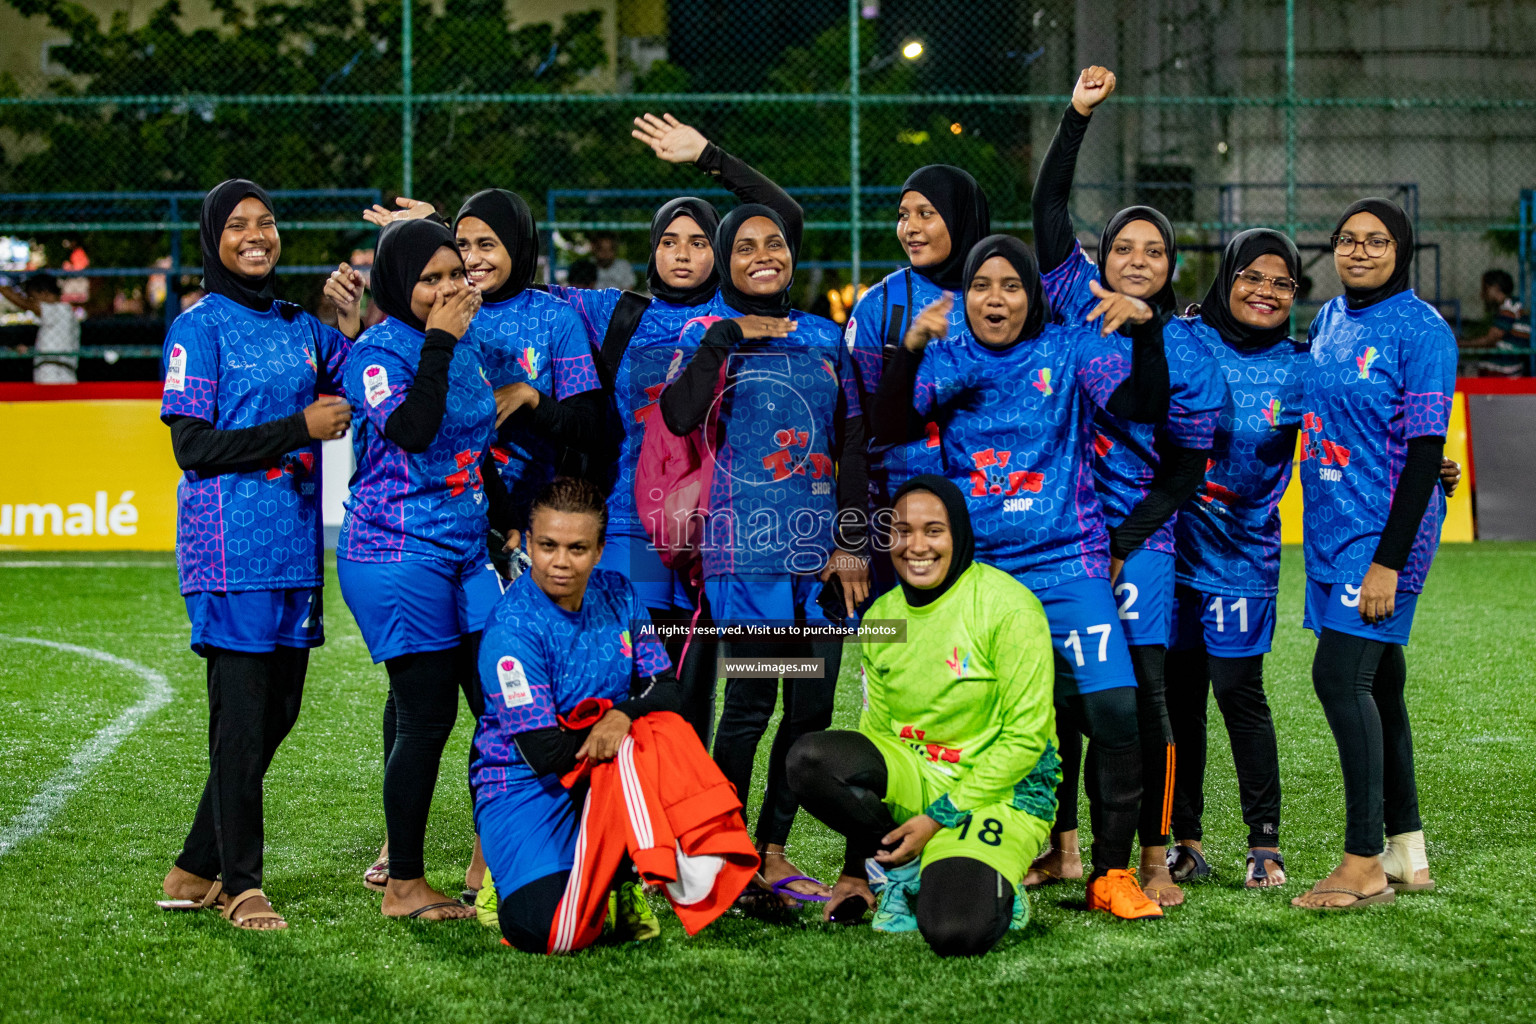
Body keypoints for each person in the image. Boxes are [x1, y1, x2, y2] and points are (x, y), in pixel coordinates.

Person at [872, 234, 1169, 921]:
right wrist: (911, 345)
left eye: (1011, 285)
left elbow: (1143, 407)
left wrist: (1148, 334)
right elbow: (889, 422)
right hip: (983, 579)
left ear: (1032, 297)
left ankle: (1112, 872)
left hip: (1069, 563)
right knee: (991, 723)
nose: (995, 298)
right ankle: (967, 847)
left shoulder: (1066, 350)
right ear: (965, 295)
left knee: (1114, 712)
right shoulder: (948, 356)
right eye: (982, 285)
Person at [1029, 64, 1228, 906]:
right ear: (1103, 256)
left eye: (1153, 251)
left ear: (1170, 263)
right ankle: (1064, 845)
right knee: (1059, 697)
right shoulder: (1074, 300)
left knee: (1142, 696)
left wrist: (1122, 540)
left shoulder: (1191, 350)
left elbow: (1180, 462)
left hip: (1137, 542)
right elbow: (1047, 212)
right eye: (1123, 248)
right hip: (1057, 535)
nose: (1137, 260)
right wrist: (1076, 119)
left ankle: (1153, 856)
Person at [554, 111, 805, 744]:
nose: (685, 253)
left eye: (699, 241)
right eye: (671, 241)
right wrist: (435, 235)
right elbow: (513, 286)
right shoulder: (616, 311)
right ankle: (623, 823)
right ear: (654, 250)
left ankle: (687, 826)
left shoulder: (737, 308)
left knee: (694, 685)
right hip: (635, 523)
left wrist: (709, 157)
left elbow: (785, 220)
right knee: (632, 678)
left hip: (715, 526)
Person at [156, 179, 360, 930]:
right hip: (229, 550)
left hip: (294, 555)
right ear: (214, 239)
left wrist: (351, 319)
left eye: (266, 222)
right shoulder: (197, 328)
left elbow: (359, 383)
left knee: (276, 714)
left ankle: (192, 868)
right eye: (237, 224)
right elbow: (193, 447)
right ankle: (242, 886)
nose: (255, 235)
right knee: (240, 721)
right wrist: (296, 428)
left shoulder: (303, 327)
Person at [658, 202, 870, 903]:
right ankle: (726, 855)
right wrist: (726, 336)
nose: (762, 254)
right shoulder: (704, 331)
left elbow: (851, 444)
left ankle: (773, 851)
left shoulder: (823, 334)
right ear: (725, 259)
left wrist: (849, 543)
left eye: (774, 242)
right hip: (744, 557)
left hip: (818, 561)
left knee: (810, 708)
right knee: (749, 704)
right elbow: (680, 415)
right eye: (743, 245)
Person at [788, 477, 1059, 956]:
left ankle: (981, 878)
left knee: (956, 931)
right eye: (901, 530)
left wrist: (938, 820)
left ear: (958, 535)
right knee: (810, 759)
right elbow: (879, 736)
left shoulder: (1009, 607)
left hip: (1000, 795)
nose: (916, 546)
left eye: (933, 531)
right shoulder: (882, 619)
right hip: (920, 774)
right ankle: (903, 868)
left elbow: (1026, 739)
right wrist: (857, 868)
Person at [1292, 198, 1457, 910]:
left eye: (1377, 241)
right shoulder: (1329, 319)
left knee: (1340, 678)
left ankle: (1362, 864)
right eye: (1348, 240)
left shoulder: (1424, 330)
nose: (1359, 252)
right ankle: (1407, 851)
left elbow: (1425, 452)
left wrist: (1389, 561)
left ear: (1403, 249)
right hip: (1331, 533)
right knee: (1381, 686)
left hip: (1383, 537)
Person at [337, 217, 492, 922]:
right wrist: (439, 340)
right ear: (399, 285)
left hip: (467, 554)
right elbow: (412, 429)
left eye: (454, 274)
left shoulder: (467, 344)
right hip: (397, 553)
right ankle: (403, 883)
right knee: (426, 715)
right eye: (429, 279)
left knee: (500, 702)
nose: (446, 289)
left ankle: (496, 855)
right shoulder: (377, 353)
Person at [471, 478, 691, 952]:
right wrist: (618, 726)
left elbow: (668, 692)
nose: (561, 562)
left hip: (600, 769)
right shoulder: (512, 628)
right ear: (529, 544)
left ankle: (619, 880)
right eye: (548, 546)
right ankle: (505, 876)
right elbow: (544, 751)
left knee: (669, 738)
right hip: (523, 784)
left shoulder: (620, 594)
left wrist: (624, 716)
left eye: (577, 548)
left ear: (599, 550)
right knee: (545, 930)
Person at [1160, 229, 1308, 893]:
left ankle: (1263, 845)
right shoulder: (1186, 339)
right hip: (1172, 547)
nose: (1265, 292)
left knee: (1238, 693)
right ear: (1226, 280)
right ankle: (1183, 841)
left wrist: (1434, 472)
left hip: (1245, 557)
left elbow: (1363, 434)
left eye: (1282, 283)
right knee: (1178, 697)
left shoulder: (1303, 366)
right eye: (1252, 276)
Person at [844, 164, 991, 499]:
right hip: (901, 507)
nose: (910, 228)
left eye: (926, 213)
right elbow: (856, 423)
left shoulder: (1006, 298)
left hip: (992, 507)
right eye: (903, 215)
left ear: (961, 217)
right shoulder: (881, 304)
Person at [1, 272, 79, 384]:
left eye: (32, 297)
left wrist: (3, 289)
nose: (31, 301)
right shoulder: (56, 317)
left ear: (45, 294)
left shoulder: (61, 310)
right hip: (53, 371)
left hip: (55, 373)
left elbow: (25, 304)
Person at [1461, 268, 1530, 376]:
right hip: (1505, 365)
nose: (1482, 294)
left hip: (1506, 368)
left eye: (1485, 289)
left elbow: (1490, 339)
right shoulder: (1510, 307)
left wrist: (1461, 344)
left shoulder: (1509, 308)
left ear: (1496, 288)